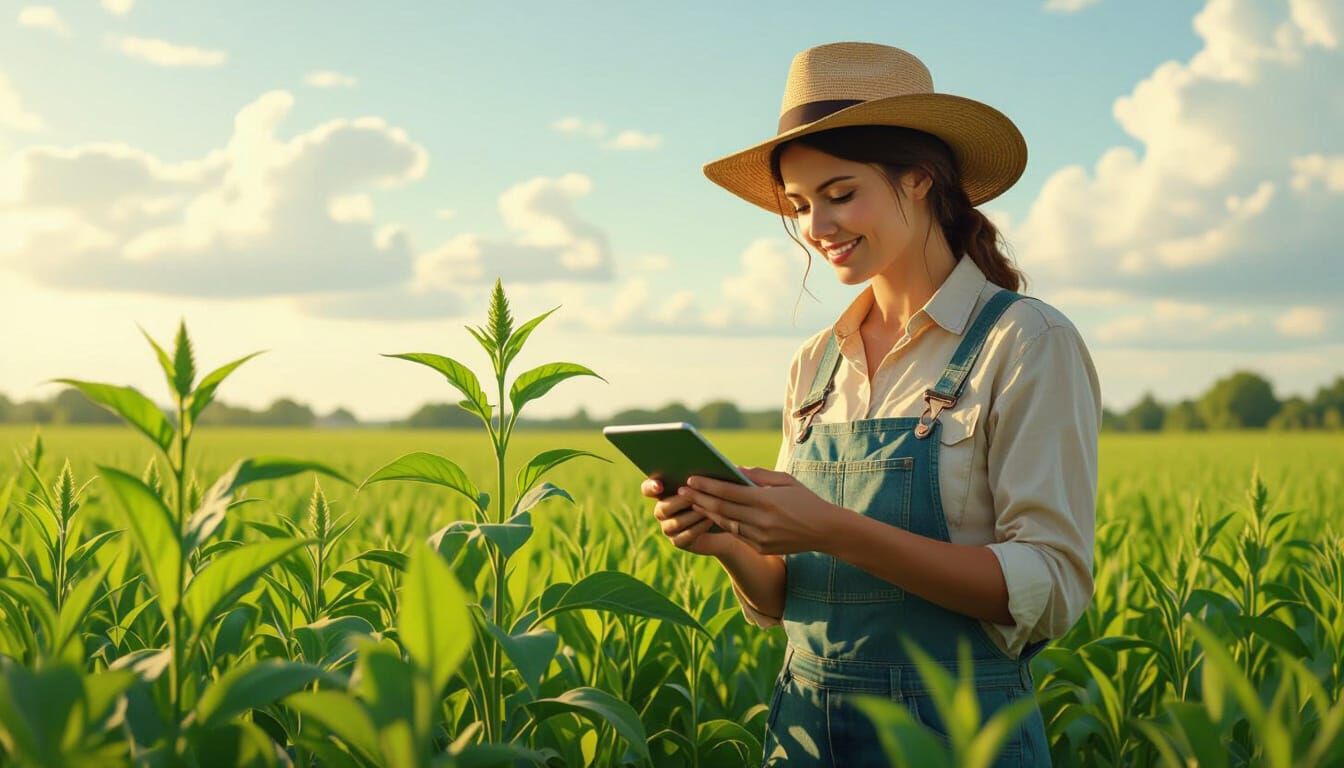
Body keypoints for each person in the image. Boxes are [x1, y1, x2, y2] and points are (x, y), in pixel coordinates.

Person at [639, 42, 1100, 766]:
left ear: (919, 180)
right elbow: (789, 593)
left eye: (840, 193)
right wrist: (728, 534)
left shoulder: (1027, 340)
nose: (817, 226)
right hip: (805, 730)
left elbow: (1049, 585)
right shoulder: (814, 362)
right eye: (798, 205)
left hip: (958, 735)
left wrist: (831, 526)